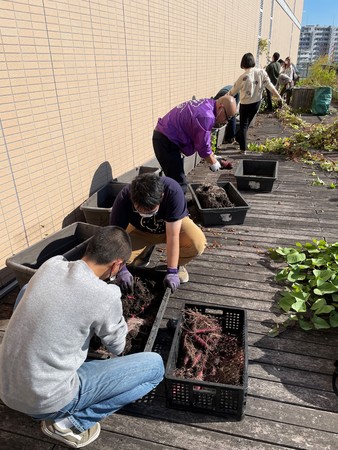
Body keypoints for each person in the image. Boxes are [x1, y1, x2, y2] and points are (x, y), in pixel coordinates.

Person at [0, 226, 164, 448]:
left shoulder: (52, 265)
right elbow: (117, 346)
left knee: (28, 288)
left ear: (90, 247)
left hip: (7, 389)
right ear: (117, 265)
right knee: (155, 367)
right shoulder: (106, 295)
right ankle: (71, 422)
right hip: (47, 400)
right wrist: (121, 322)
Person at [109, 173, 206, 293]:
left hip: (171, 229)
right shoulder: (124, 198)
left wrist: (171, 271)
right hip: (141, 231)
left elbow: (173, 236)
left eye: (151, 210)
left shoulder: (172, 191)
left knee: (197, 243)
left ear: (162, 196)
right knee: (114, 261)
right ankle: (145, 252)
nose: (146, 213)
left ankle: (178, 265)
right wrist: (121, 268)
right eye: (139, 209)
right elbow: (114, 236)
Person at [152, 95, 237, 193]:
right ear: (220, 107)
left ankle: (172, 204)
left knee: (176, 180)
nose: (225, 121)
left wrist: (213, 157)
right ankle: (174, 207)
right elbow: (203, 147)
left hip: (166, 137)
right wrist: (213, 163)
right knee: (179, 184)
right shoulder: (206, 116)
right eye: (227, 117)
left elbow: (201, 140)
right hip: (166, 141)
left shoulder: (207, 104)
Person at [228, 52, 283, 152]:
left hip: (245, 104)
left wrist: (222, 99)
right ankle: (238, 138)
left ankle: (243, 149)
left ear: (243, 63)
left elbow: (232, 92)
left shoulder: (243, 77)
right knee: (247, 124)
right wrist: (279, 97)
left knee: (244, 125)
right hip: (256, 103)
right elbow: (270, 86)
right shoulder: (261, 72)